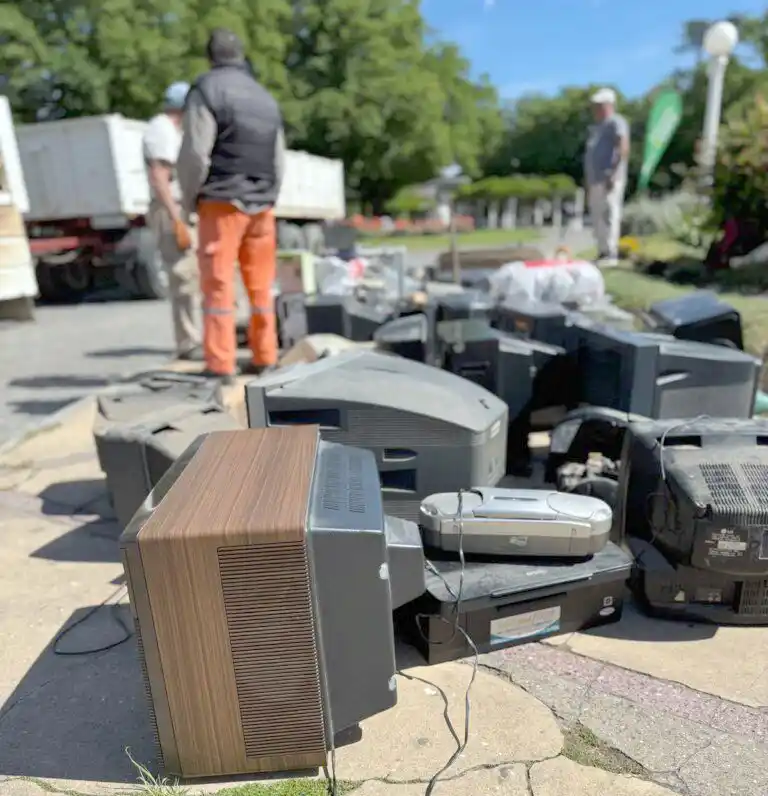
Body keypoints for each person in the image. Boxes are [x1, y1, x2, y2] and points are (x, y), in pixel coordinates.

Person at [177, 28, 286, 384]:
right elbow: (278, 158)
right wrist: (269, 195)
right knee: (261, 286)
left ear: (210, 57)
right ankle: (266, 356)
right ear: (241, 57)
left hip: (221, 203)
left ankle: (221, 365)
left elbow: (195, 152)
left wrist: (190, 198)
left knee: (218, 286)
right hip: (262, 206)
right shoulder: (266, 98)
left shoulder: (206, 89)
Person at [143, 82, 202, 360]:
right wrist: (177, 218)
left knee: (193, 273)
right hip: (171, 209)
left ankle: (194, 336)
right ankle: (188, 342)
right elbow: (159, 176)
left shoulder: (174, 130)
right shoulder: (162, 129)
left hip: (179, 206)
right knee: (182, 274)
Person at [584, 87, 630, 267]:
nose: (595, 109)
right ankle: (602, 251)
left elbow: (622, 146)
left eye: (598, 105)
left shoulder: (616, 122)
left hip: (610, 177)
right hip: (595, 179)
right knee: (597, 215)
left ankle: (611, 253)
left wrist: (614, 172)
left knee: (610, 212)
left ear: (608, 105)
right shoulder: (596, 127)